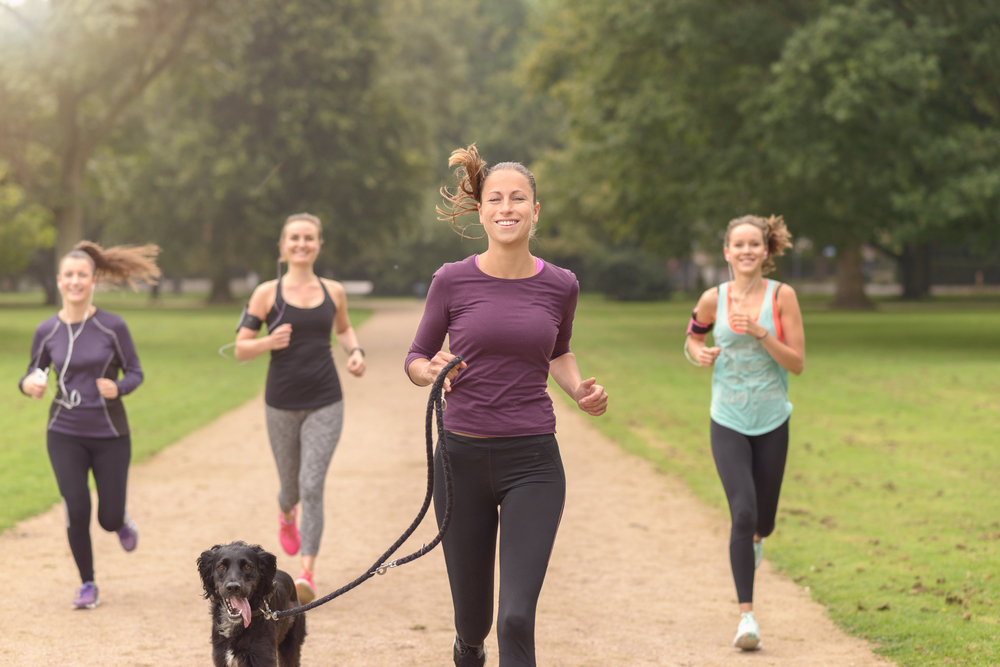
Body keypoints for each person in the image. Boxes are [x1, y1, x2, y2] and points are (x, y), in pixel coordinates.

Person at [405, 145, 609, 667]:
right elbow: (416, 356)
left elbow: (558, 350)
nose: (507, 207)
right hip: (461, 461)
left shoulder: (561, 285)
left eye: (519, 198)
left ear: (535, 210)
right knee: (474, 623)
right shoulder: (452, 279)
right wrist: (430, 371)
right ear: (481, 211)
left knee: (516, 615)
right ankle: (467, 649)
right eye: (496, 198)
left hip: (533, 462)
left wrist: (578, 392)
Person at [684, 215, 805, 650]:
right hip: (728, 420)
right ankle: (746, 619)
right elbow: (692, 337)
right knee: (744, 513)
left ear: (766, 251)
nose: (747, 251)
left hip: (773, 420)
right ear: (727, 252)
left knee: (764, 523)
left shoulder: (782, 297)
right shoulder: (713, 298)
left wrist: (760, 334)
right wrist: (700, 353)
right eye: (739, 244)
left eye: (755, 244)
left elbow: (797, 362)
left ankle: (755, 541)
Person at [18, 241, 160, 610]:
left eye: (82, 275)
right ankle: (88, 584)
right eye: (69, 275)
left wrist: (118, 387)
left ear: (94, 279)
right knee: (76, 507)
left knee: (107, 517)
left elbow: (136, 372)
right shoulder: (46, 330)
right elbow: (35, 371)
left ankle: (121, 520)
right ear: (59, 281)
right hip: (63, 432)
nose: (75, 281)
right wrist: (28, 384)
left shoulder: (112, 326)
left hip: (111, 434)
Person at [233, 212, 366, 605]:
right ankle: (285, 513)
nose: (302, 244)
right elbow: (240, 348)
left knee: (312, 484)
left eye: (309, 238)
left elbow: (343, 328)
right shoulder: (265, 294)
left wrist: (355, 351)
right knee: (290, 489)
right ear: (283, 245)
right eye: (294, 238)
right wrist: (267, 342)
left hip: (326, 399)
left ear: (318, 244)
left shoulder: (334, 291)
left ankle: (307, 574)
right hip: (281, 403)